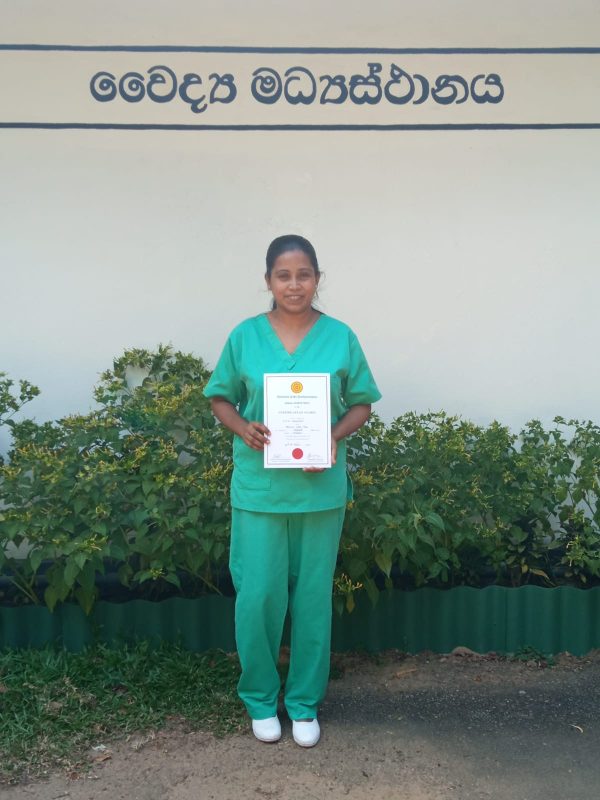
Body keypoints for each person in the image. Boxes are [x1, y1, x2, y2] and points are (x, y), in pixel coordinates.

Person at [203, 234, 381, 747]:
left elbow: (362, 403)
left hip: (318, 491)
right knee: (258, 595)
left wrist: (332, 436)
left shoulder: (340, 337)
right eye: (283, 275)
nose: (294, 284)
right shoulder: (245, 337)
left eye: (304, 275)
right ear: (268, 281)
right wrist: (243, 428)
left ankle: (303, 703)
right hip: (260, 491)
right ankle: (260, 698)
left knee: (311, 599)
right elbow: (220, 398)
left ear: (317, 279)